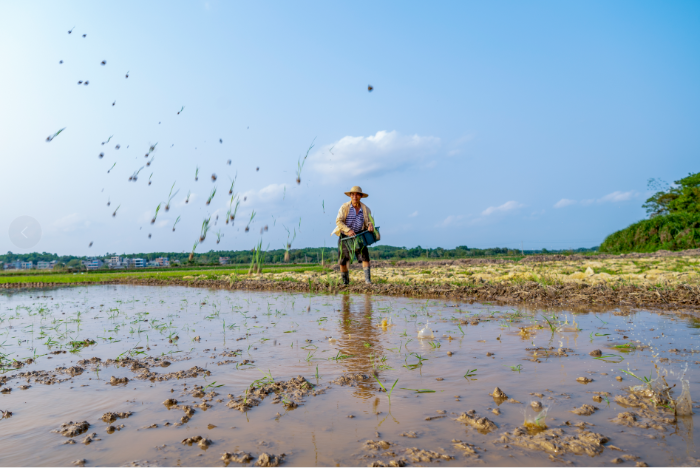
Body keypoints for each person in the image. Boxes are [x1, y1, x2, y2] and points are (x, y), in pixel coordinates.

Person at [331, 186, 375, 285]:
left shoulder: (365, 209)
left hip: (359, 235)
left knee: (365, 257)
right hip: (345, 235)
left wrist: (370, 225)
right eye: (352, 194)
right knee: (343, 260)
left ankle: (368, 281)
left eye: (357, 194)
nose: (355, 196)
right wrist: (348, 230)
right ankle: (345, 282)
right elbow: (338, 221)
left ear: (360, 196)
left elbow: (369, 221)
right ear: (350, 196)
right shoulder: (344, 207)